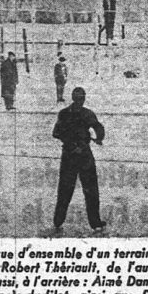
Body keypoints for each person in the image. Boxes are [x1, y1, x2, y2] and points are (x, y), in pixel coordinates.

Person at [52, 87, 106, 233]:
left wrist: (70, 143)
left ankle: (58, 220)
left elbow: (56, 133)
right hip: (84, 154)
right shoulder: (87, 114)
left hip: (68, 154)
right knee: (91, 190)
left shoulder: (63, 114)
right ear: (83, 99)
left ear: (72, 98)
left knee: (64, 189)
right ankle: (95, 223)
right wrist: (98, 139)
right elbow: (99, 128)